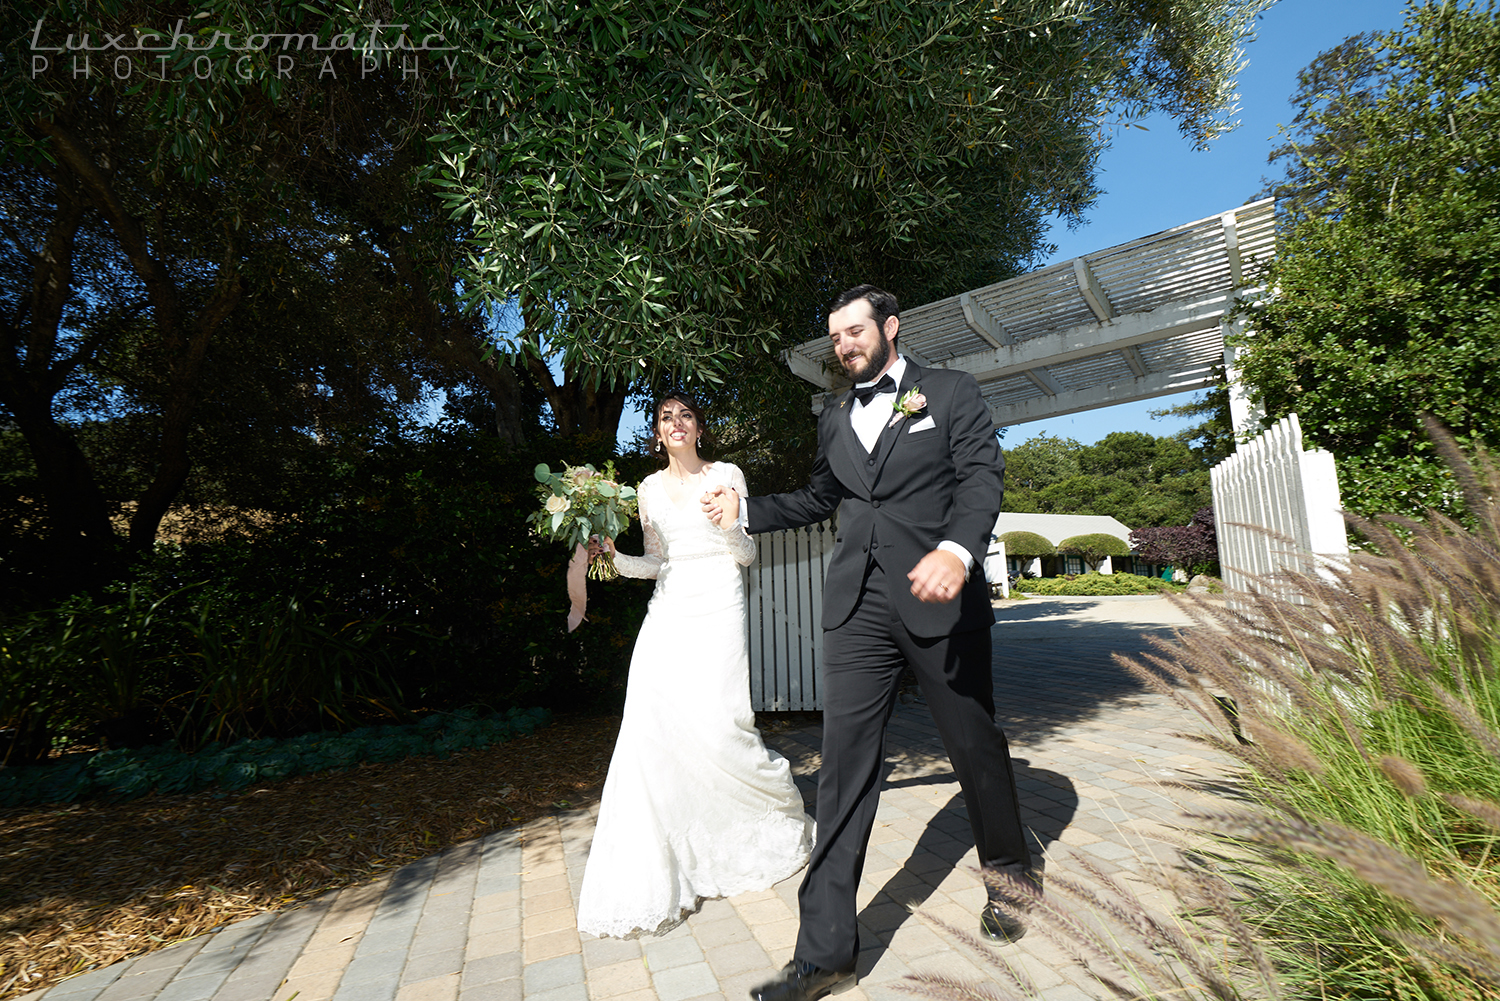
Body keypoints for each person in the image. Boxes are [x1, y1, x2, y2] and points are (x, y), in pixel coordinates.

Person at [703, 285, 1038, 1001]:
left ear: (889, 327)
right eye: (836, 336)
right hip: (856, 606)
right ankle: (825, 952)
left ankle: (1010, 875)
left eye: (855, 330)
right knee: (843, 768)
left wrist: (958, 548)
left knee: (973, 742)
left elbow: (982, 477)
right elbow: (822, 497)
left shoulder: (949, 392)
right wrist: (749, 511)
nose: (845, 344)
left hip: (938, 594)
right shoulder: (832, 416)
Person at [575, 392, 812, 939]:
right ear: (657, 433)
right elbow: (656, 562)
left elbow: (746, 553)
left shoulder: (727, 473)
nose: (676, 424)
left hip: (720, 603)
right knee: (649, 722)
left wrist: (728, 522)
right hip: (670, 609)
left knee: (720, 721)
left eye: (685, 416)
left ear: (699, 429)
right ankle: (669, 850)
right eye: (665, 418)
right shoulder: (647, 489)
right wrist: (613, 557)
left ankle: (745, 826)